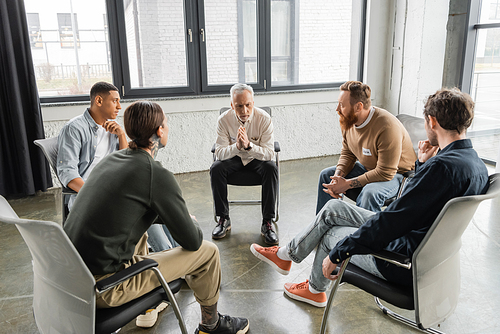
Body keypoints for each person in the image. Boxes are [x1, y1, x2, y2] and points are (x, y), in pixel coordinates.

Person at [250, 88, 489, 308]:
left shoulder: (442, 168)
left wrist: (339, 253)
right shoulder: (475, 165)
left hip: (398, 260)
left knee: (329, 235)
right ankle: (285, 255)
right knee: (333, 208)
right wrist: (422, 164)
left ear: (432, 121)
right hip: (429, 255)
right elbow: (418, 206)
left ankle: (314, 288)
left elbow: (393, 220)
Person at [64, 101, 249, 333]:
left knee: (138, 226)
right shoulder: (155, 174)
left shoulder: (112, 160)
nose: (167, 128)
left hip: (72, 277)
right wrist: (187, 220)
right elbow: (192, 241)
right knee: (208, 251)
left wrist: (165, 215)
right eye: (166, 124)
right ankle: (211, 326)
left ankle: (147, 309)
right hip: (105, 287)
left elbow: (129, 210)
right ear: (160, 131)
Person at [56, 82, 177, 253]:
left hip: (116, 189)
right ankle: (167, 257)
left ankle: (176, 253)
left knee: (158, 206)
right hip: (92, 197)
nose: (119, 106)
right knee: (144, 209)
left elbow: (126, 162)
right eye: (115, 101)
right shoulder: (75, 128)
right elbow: (67, 173)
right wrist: (94, 193)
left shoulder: (112, 127)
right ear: (98, 100)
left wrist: (121, 135)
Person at [317, 81, 416, 213]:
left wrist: (347, 184)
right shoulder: (348, 121)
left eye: (342, 105)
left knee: (370, 193)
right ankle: (323, 227)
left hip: (399, 175)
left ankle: (363, 233)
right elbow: (348, 153)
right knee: (327, 176)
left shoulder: (387, 126)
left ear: (358, 107)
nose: (337, 109)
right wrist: (337, 177)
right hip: (370, 168)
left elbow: (385, 172)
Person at [210, 83, 279, 245]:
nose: (244, 111)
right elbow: (219, 153)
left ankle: (267, 223)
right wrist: (237, 147)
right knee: (216, 168)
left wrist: (249, 146)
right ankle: (223, 219)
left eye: (248, 105)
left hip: (257, 158)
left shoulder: (264, 119)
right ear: (232, 105)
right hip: (234, 158)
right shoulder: (224, 120)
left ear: (253, 103)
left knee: (271, 168)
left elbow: (269, 153)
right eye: (239, 106)